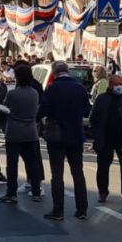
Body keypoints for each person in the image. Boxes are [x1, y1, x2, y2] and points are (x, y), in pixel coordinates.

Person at [40, 60, 91, 221]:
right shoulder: (79, 88)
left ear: (54, 73)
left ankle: (58, 210)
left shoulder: (52, 88)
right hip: (76, 135)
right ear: (67, 71)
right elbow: (86, 110)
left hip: (57, 136)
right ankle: (82, 209)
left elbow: (43, 110)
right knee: (78, 172)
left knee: (57, 174)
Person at [0, 64, 44, 204]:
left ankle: (11, 193)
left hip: (14, 131)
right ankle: (36, 191)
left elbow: (5, 108)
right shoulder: (34, 93)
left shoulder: (13, 93)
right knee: (32, 163)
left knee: (12, 164)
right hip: (30, 131)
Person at [92, 75, 122, 208]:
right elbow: (94, 118)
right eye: (116, 84)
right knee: (103, 166)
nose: (119, 86)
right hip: (105, 138)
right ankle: (102, 192)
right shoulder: (102, 99)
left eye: (121, 84)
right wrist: (96, 134)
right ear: (110, 85)